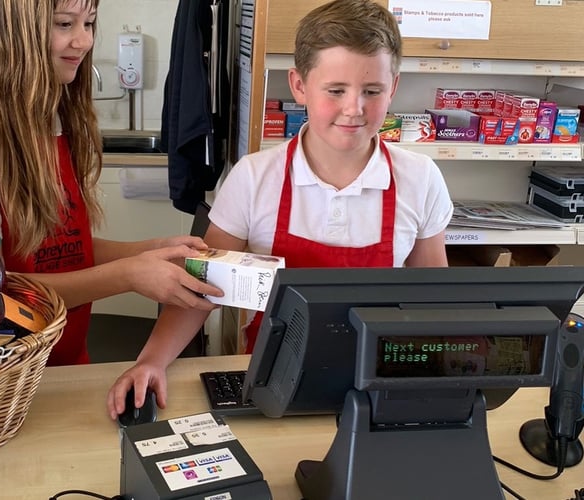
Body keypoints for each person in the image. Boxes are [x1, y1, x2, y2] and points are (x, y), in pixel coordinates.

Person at [106, 0, 454, 418]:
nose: (354, 108)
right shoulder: (254, 179)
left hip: (377, 385)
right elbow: (201, 288)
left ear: (393, 87)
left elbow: (430, 298)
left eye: (372, 91)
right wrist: (152, 360)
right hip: (272, 383)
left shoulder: (420, 178)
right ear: (299, 84)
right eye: (336, 90)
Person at [0, 0, 222, 366]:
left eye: (88, 23)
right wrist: (129, 275)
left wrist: (152, 250)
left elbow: (61, 250)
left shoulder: (48, 117)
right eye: (64, 24)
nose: (84, 40)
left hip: (63, 358)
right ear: (15, 30)